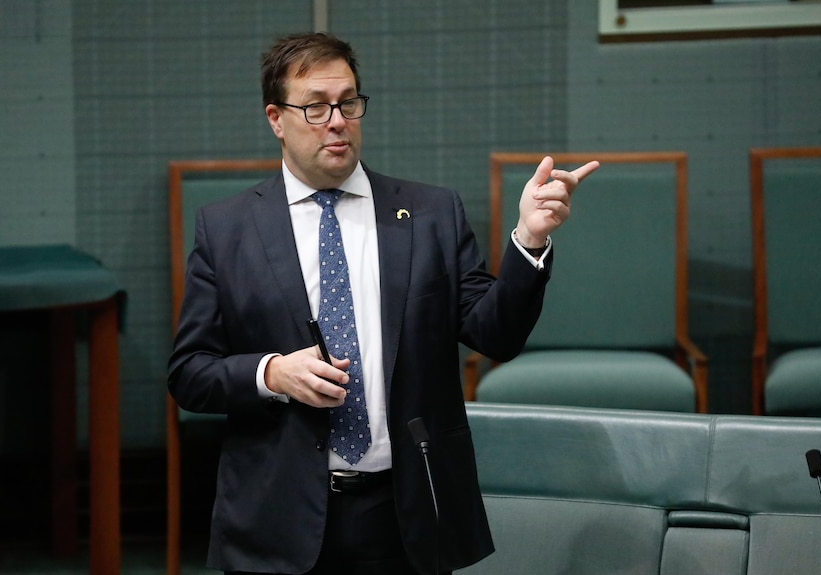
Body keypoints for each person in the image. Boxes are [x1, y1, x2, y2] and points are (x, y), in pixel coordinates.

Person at [168, 31, 599, 575]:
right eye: (316, 107)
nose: (337, 120)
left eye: (348, 102)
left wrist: (529, 239)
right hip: (279, 514)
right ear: (276, 118)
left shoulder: (430, 213)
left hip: (404, 513)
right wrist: (272, 373)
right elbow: (189, 373)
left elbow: (496, 336)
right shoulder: (226, 228)